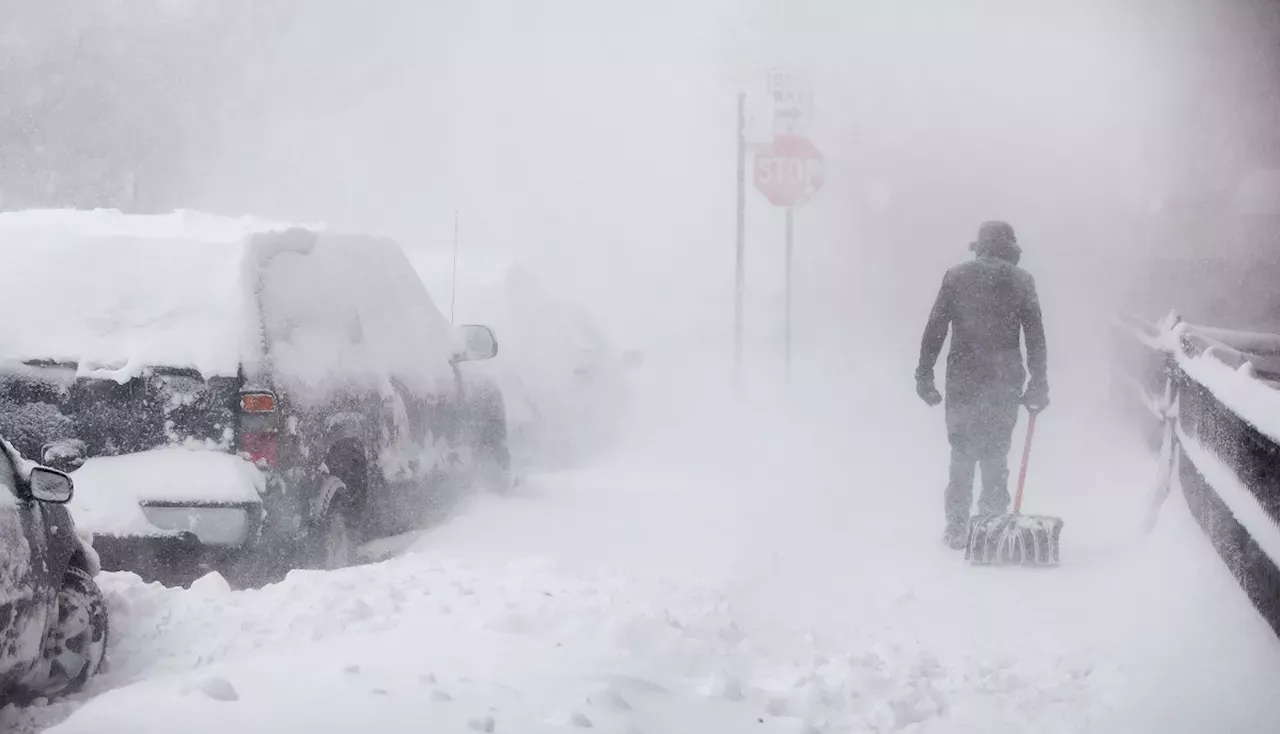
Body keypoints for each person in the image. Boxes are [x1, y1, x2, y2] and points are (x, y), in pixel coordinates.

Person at [915, 221, 1049, 549]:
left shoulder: (956, 277)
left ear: (980, 246)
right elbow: (1035, 338)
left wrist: (925, 374)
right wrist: (1038, 382)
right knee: (995, 452)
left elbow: (935, 329)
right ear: (1010, 248)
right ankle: (990, 523)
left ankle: (957, 526)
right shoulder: (1021, 281)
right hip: (1003, 381)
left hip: (963, 378)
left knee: (962, 451)